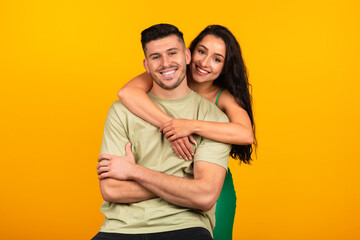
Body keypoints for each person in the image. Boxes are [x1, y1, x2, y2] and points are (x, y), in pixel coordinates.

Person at [93, 24, 231, 240]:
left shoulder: (213, 119)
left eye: (172, 53)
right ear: (146, 65)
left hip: (186, 227)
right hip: (120, 229)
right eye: (156, 57)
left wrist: (134, 172)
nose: (166, 63)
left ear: (186, 56)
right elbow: (112, 190)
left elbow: (204, 196)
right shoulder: (121, 111)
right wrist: (183, 186)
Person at [117, 25, 256, 239]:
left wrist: (191, 125)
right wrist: (170, 125)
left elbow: (246, 134)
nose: (204, 62)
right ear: (188, 54)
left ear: (225, 67)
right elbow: (126, 92)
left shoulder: (223, 98)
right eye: (202, 51)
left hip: (211, 187)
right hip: (164, 187)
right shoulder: (167, 76)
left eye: (217, 59)